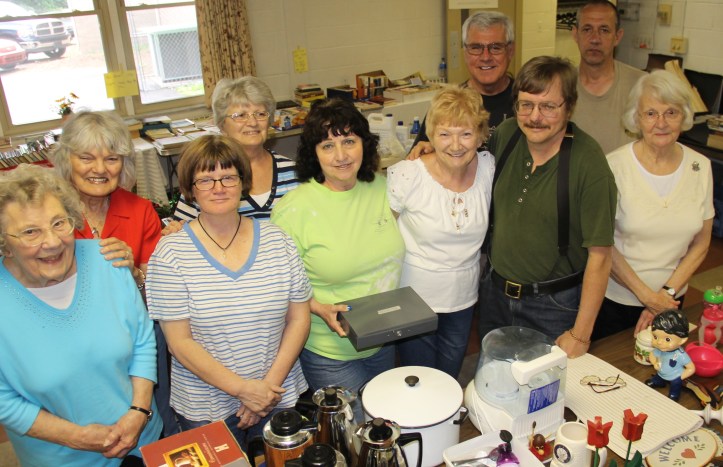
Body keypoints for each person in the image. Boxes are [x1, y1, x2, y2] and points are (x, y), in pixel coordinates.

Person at [146, 135, 311, 448]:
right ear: (190, 188)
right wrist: (243, 391)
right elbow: (179, 343)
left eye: (228, 177)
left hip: (276, 393)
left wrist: (265, 389)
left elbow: (299, 319)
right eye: (205, 179)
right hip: (206, 406)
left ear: (242, 182)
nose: (218, 187)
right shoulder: (171, 253)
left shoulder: (278, 241)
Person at [0, 164, 161, 466]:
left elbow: (142, 341)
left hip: (143, 441)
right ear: (4, 243)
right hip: (62, 458)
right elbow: (3, 400)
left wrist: (138, 413)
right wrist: (75, 436)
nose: (51, 241)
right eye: (30, 232)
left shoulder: (107, 259)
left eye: (59, 223)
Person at [271, 98, 405, 420]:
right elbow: (280, 286)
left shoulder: (387, 189)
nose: (341, 155)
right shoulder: (294, 208)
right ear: (314, 154)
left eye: (349, 141)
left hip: (384, 339)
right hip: (329, 349)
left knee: (384, 424)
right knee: (357, 432)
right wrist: (317, 307)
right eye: (327, 145)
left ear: (364, 143)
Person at [477, 56, 617, 358]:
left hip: (553, 306)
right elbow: (461, 159)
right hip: (494, 295)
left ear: (569, 106)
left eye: (548, 106)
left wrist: (581, 334)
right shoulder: (506, 135)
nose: (535, 117)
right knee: (493, 385)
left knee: (543, 398)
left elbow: (601, 257)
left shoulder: (588, 163)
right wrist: (428, 152)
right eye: (526, 104)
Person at [51, 110, 177, 437]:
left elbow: (157, 285)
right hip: (69, 337)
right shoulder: (49, 212)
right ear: (67, 160)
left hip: (134, 335)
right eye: (86, 157)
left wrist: (135, 273)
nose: (99, 169)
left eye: (111, 158)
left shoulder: (139, 209)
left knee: (151, 417)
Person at [593, 70, 714, 339]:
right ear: (636, 119)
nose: (661, 122)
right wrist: (648, 297)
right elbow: (602, 242)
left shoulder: (700, 167)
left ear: (684, 116)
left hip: (672, 298)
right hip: (616, 302)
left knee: (665, 369)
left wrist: (664, 295)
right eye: (650, 113)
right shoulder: (613, 167)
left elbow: (702, 243)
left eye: (671, 112)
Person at [387, 86, 494, 378]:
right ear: (430, 135)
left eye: (466, 133)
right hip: (414, 298)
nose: (455, 144)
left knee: (449, 377)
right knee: (419, 379)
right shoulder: (407, 175)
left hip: (463, 296)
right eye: (445, 134)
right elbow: (381, 236)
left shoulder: (487, 168)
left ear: (481, 135)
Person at [173, 76, 298, 222]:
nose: (252, 122)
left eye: (260, 114)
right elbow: (181, 230)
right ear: (221, 124)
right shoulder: (206, 177)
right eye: (240, 115)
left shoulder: (294, 172)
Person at [409, 11, 515, 156]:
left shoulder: (527, 103)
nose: (485, 57)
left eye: (495, 47)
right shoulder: (448, 103)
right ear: (465, 52)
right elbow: (420, 156)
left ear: (510, 51)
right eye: (476, 48)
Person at [571, 0, 647, 154]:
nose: (595, 39)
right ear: (575, 34)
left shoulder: (642, 86)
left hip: (624, 178)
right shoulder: (561, 85)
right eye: (587, 29)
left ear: (617, 37)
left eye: (604, 30)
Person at [645, 310, 695, 401]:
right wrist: (655, 362)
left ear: (682, 340)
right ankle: (659, 382)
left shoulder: (681, 355)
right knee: (658, 377)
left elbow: (691, 368)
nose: (659, 342)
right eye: (655, 337)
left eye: (667, 339)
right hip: (661, 372)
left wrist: (680, 377)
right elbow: (652, 355)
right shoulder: (660, 349)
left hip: (675, 376)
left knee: (675, 386)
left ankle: (674, 394)